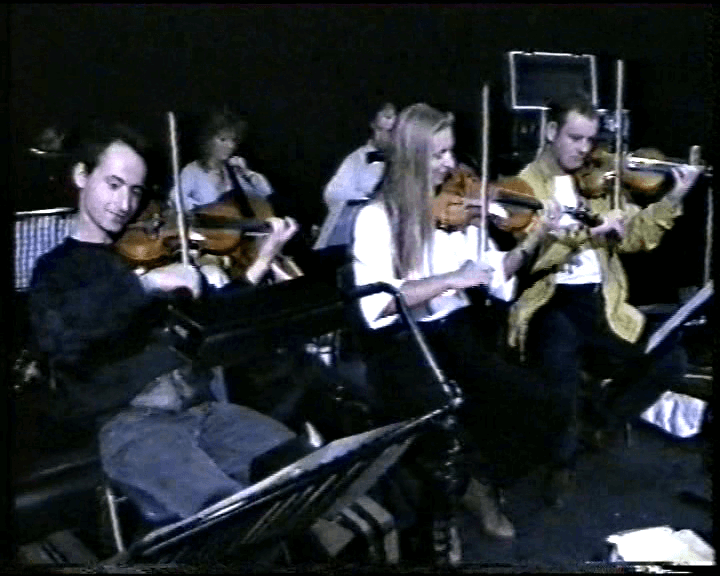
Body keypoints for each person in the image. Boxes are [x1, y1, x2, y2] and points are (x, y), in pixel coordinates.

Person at [28, 121, 302, 521]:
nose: (125, 204)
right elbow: (64, 334)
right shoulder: (57, 269)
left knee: (301, 471)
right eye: (114, 184)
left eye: (136, 191)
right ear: (82, 176)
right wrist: (146, 285)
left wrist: (263, 256)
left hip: (202, 412)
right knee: (228, 516)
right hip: (133, 427)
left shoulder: (144, 255)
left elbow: (216, 324)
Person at [352, 103, 568, 539]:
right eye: (438, 155)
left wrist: (535, 238)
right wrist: (452, 278)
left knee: (541, 404)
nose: (450, 164)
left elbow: (494, 275)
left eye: (449, 152)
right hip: (405, 345)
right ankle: (453, 506)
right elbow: (378, 306)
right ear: (412, 158)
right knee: (449, 413)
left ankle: (480, 483)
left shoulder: (454, 210)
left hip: (455, 334)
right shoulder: (376, 218)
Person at [510, 92, 702, 504]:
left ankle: (599, 422)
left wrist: (674, 197)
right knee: (558, 356)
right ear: (550, 132)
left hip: (601, 302)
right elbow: (535, 258)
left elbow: (637, 237)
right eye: (575, 139)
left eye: (590, 140)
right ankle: (560, 464)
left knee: (671, 358)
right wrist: (591, 234)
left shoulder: (598, 183)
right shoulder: (526, 185)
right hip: (550, 301)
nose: (585, 150)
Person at [171, 107, 301, 283]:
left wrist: (248, 174)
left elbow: (264, 196)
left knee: (279, 259)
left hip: (244, 243)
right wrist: (206, 212)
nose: (230, 146)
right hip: (213, 246)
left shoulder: (234, 170)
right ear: (207, 141)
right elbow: (175, 203)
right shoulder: (193, 171)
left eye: (233, 140)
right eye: (222, 139)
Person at [313, 103, 397, 250]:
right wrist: (372, 200)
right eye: (387, 116)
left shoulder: (404, 161)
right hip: (356, 242)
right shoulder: (357, 159)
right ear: (373, 125)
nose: (392, 122)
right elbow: (333, 194)